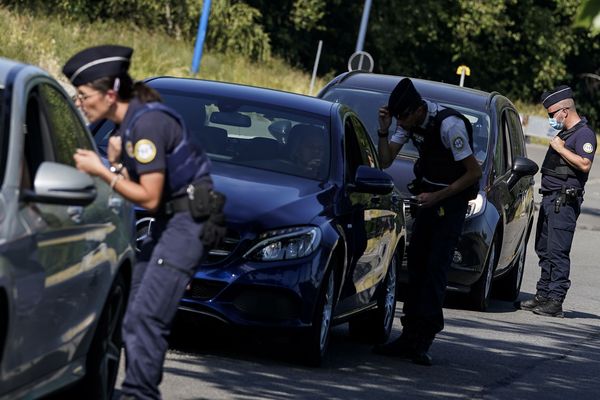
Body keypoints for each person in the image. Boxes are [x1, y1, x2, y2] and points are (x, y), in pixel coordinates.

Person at [63, 45, 225, 399]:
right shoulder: (136, 121)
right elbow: (149, 189)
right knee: (133, 309)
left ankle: (140, 394)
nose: (81, 103)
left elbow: (149, 197)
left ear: (110, 94)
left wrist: (104, 169)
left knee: (146, 317)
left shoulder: (147, 123)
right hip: (171, 223)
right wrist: (119, 164)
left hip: (186, 226)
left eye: (84, 96)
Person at [372, 78, 482, 365]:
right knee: (417, 266)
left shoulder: (449, 126)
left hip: (452, 203)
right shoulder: (407, 122)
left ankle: (423, 340)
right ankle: (408, 336)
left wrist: (438, 196)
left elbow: (473, 173)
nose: (403, 125)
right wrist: (383, 131)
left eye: (404, 119)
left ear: (418, 110)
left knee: (435, 270)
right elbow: (385, 161)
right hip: (428, 202)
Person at [516, 85, 596, 318]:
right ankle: (543, 295)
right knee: (544, 249)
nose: (551, 119)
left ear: (564, 110)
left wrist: (560, 149)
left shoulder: (584, 135)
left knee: (558, 252)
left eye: (552, 114)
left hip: (565, 201)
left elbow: (584, 164)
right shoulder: (565, 133)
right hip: (550, 199)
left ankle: (555, 301)